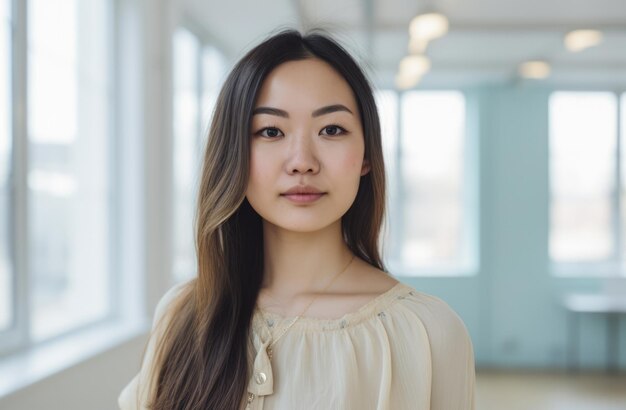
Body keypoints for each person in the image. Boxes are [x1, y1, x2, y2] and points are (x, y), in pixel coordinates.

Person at [118, 28, 475, 410]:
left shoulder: (426, 333)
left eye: (331, 130)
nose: (302, 161)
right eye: (271, 131)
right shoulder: (184, 311)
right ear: (234, 153)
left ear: (367, 156)